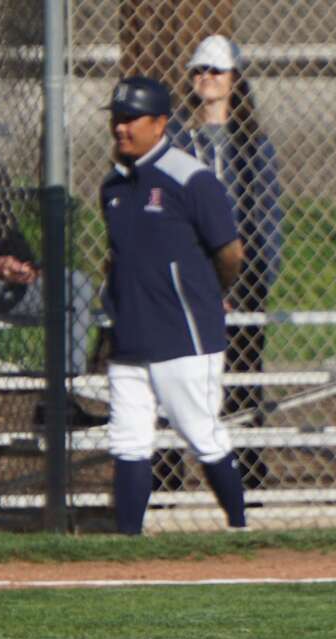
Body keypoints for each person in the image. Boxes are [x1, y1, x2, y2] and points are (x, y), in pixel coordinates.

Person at [100, 76, 247, 534]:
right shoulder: (113, 185)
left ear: (160, 122)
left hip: (184, 334)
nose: (121, 127)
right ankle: (127, 543)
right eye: (117, 118)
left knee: (202, 434)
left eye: (131, 119)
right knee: (128, 441)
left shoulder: (190, 178)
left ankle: (240, 530)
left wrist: (207, 293)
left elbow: (230, 252)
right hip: (130, 334)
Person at [173, 35, 284, 428]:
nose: (206, 77)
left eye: (216, 71)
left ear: (234, 79)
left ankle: (246, 452)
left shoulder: (253, 144)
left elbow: (268, 215)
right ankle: (176, 454)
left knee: (242, 374)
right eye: (199, 71)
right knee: (185, 373)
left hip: (242, 269)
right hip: (191, 267)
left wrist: (259, 276)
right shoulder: (178, 140)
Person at [0, 88, 103, 432]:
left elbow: (7, 231)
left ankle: (59, 397)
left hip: (1, 282)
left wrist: (29, 266)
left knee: (75, 285)